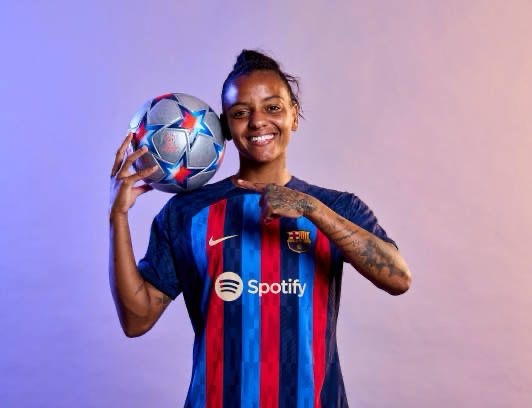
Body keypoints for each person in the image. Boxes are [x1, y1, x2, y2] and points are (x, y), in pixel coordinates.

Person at [109, 50, 411, 408]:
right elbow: (136, 320)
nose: (257, 122)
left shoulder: (337, 207)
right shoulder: (187, 212)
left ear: (294, 115)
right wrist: (118, 218)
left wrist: (310, 208)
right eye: (241, 112)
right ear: (224, 127)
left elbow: (398, 279)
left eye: (273, 107)